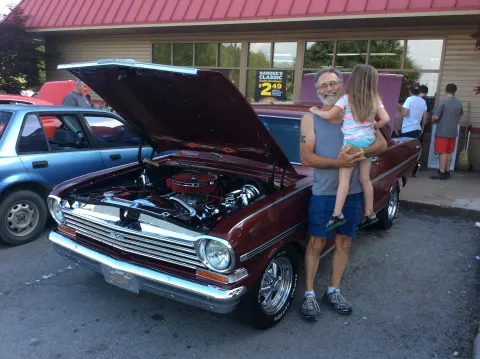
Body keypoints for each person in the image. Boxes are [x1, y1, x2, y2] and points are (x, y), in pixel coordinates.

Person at [300, 67, 387, 320]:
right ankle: (308, 294)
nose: (329, 89)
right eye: (323, 86)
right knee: (316, 242)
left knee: (345, 242)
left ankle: (333, 290)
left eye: (333, 83)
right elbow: (306, 157)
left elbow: (381, 143)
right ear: (317, 91)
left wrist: (360, 153)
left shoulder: (358, 109)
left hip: (354, 193)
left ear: (342, 84)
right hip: (324, 192)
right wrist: (340, 164)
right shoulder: (312, 119)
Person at [309, 64, 390, 232]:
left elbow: (330, 115)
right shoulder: (375, 98)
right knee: (365, 179)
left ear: (353, 80)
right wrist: (375, 126)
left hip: (351, 144)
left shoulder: (346, 98)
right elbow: (386, 119)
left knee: (343, 180)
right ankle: (370, 212)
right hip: (368, 142)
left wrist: (315, 111)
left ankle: (337, 214)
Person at [430, 83, 464, 180]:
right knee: (449, 152)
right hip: (453, 130)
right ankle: (447, 171)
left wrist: (433, 119)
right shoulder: (458, 102)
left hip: (442, 130)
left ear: (445, 91)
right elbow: (460, 116)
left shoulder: (442, 101)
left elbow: (436, 117)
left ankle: (441, 172)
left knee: (442, 152)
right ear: (455, 92)